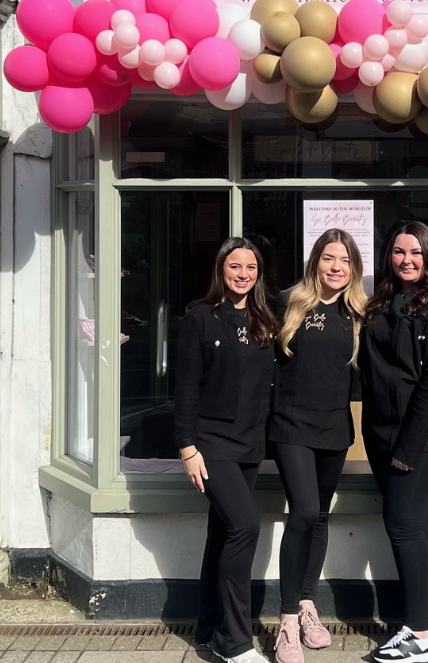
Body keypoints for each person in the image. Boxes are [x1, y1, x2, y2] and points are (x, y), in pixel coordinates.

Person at [174, 237, 280, 663]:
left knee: (221, 534)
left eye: (250, 267)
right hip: (211, 444)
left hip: (249, 443)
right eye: (235, 266)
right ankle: (234, 642)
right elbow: (185, 390)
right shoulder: (200, 319)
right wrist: (187, 448)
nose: (243, 274)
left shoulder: (263, 319)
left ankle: (207, 627)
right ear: (221, 270)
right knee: (245, 526)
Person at [360, 221, 428, 663]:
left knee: (402, 526)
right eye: (399, 252)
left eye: (416, 253)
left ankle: (419, 634)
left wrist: (407, 449)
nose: (407, 260)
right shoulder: (382, 299)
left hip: (421, 440)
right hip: (382, 434)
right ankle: (418, 624)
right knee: (409, 526)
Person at [270, 229, 367, 663]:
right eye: (329, 258)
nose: (336, 268)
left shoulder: (361, 313)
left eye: (344, 261)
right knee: (304, 512)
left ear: (354, 268)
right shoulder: (291, 302)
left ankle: (308, 603)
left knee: (321, 516)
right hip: (290, 425)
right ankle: (287, 619)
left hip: (334, 429)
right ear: (316, 261)